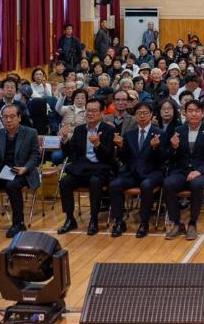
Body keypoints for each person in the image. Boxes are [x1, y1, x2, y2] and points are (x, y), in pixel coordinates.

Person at [0, 104, 41, 237]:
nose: (8, 120)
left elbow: (35, 155)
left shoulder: (30, 132)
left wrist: (26, 168)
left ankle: (18, 223)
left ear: (19, 117)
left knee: (12, 186)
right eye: (5, 117)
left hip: (21, 169)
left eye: (12, 117)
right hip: (2, 168)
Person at [57, 98, 117, 236]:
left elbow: (109, 157)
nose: (90, 114)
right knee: (65, 182)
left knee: (95, 182)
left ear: (101, 113)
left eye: (94, 111)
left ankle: (94, 219)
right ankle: (70, 218)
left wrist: (97, 145)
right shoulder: (79, 130)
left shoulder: (108, 130)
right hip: (82, 168)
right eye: (88, 111)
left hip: (100, 168)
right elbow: (71, 154)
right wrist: (65, 139)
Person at [108, 101, 168, 238]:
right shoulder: (129, 134)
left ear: (151, 115)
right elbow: (125, 158)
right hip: (132, 172)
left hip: (153, 172)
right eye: (139, 113)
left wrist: (155, 148)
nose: (142, 116)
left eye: (145, 113)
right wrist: (120, 146)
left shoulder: (159, 134)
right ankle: (118, 221)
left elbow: (163, 158)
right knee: (114, 184)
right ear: (134, 115)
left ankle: (144, 222)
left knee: (146, 185)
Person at [163, 100, 204, 240]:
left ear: (202, 113)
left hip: (202, 172)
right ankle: (177, 223)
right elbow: (169, 157)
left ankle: (192, 224)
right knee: (168, 183)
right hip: (182, 171)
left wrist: (199, 171)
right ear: (185, 113)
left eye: (197, 111)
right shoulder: (178, 130)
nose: (194, 114)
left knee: (196, 184)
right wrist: (173, 147)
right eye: (190, 111)